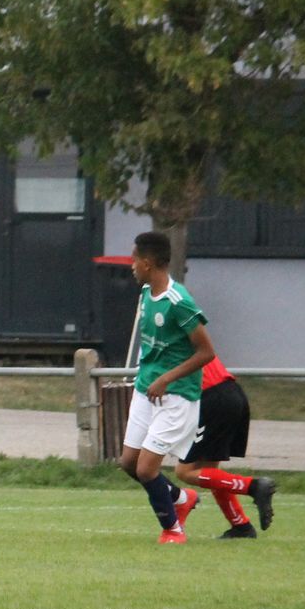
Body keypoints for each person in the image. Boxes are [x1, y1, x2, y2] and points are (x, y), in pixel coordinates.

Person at [119, 230, 216, 545]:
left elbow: (206, 352)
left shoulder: (179, 302)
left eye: (134, 260)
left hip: (176, 395)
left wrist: (166, 378)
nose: (131, 265)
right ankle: (180, 498)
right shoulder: (146, 294)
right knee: (129, 464)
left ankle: (172, 529)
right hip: (146, 390)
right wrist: (148, 377)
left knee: (147, 470)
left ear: (147, 263)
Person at [174, 356, 277, 538]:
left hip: (210, 398)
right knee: (210, 472)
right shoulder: (190, 340)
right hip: (232, 392)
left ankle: (253, 486)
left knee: (185, 471)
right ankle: (241, 526)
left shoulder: (164, 344)